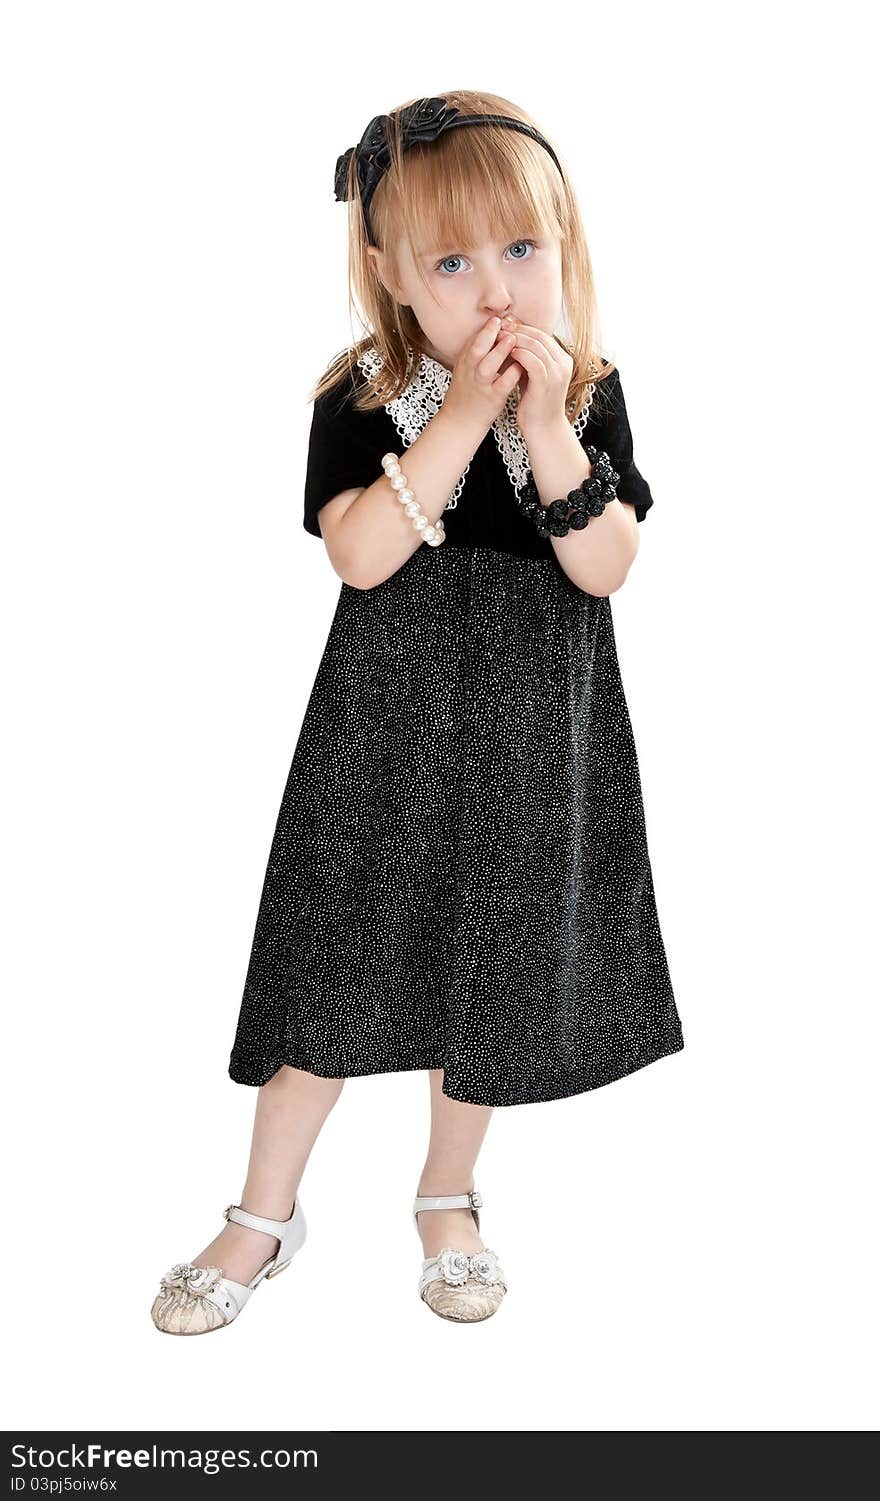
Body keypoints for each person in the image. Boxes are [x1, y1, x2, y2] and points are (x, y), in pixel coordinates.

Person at [151, 90, 685, 1335]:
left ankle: (449, 1197)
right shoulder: (366, 395)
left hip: (530, 739)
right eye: (451, 261)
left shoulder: (589, 394)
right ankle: (263, 1214)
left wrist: (542, 425)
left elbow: (606, 565)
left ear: (565, 246)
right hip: (381, 739)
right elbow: (360, 554)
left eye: (521, 250)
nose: (495, 289)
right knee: (331, 970)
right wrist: (457, 418)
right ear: (389, 273)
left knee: (483, 977)